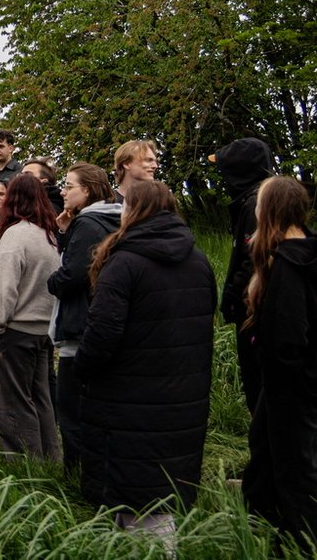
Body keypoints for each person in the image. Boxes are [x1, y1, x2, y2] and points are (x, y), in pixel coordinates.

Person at [76, 180, 215, 541]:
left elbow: (102, 334)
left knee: (135, 493)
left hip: (128, 399)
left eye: (124, 205)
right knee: (158, 493)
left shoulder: (124, 263)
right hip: (183, 396)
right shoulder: (199, 261)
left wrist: (82, 370)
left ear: (134, 212)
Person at [241, 176, 317, 549]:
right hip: (294, 387)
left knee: (295, 468)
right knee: (268, 460)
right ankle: (267, 533)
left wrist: (287, 385)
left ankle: (300, 542)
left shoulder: (290, 266)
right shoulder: (305, 253)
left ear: (267, 211)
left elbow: (288, 339)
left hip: (291, 390)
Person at [0, 174, 61, 461]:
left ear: (12, 200)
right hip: (41, 331)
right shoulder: (46, 236)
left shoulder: (15, 237)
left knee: (12, 402)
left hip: (14, 330)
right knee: (40, 399)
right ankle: (50, 459)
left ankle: (25, 464)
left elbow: (6, 289)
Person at [46, 163, 121, 471]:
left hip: (79, 325)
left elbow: (74, 272)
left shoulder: (89, 224)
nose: (63, 191)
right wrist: (64, 232)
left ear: (87, 190)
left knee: (71, 408)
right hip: (100, 322)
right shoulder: (113, 219)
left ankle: (77, 475)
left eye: (69, 185)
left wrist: (52, 281)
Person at [210, 137, 275, 414]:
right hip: (261, 308)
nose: (222, 177)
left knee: (259, 385)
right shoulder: (263, 198)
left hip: (256, 310)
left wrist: (235, 299)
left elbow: (253, 260)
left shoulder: (256, 205)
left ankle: (268, 452)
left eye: (225, 169)